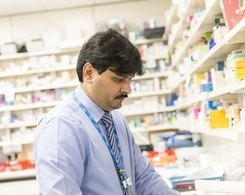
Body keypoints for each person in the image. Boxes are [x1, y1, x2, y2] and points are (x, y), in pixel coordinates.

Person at [33, 28, 180, 195]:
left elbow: (144, 179)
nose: (127, 89)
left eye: (129, 80)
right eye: (118, 79)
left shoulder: (116, 119)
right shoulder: (62, 128)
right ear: (89, 73)